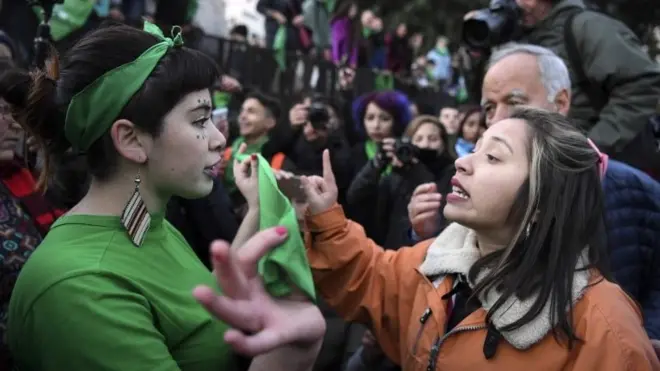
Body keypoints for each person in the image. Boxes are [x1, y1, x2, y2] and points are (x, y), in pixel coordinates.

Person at [0, 22, 323, 370]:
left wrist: (257, 211)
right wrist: (290, 354)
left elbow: (195, 319)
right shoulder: (78, 288)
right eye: (200, 120)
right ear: (131, 139)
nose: (218, 139)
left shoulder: (151, 224)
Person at [299, 107, 659, 370]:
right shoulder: (438, 261)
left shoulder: (604, 331)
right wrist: (327, 218)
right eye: (473, 149)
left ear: (542, 201)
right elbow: (368, 277)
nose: (463, 163)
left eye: (493, 156)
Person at [408, 42, 660, 355]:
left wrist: (642, 337)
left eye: (515, 102)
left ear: (561, 101)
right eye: (488, 108)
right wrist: (426, 233)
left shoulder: (636, 192)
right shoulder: (468, 179)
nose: (498, 119)